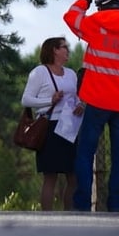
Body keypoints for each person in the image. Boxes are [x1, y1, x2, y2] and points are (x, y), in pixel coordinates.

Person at [63, 0, 119, 212]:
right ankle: (115, 208)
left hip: (97, 102)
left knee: (85, 154)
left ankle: (82, 206)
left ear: (100, 5)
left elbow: (70, 16)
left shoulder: (95, 26)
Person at [20, 36, 82, 210]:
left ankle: (69, 216)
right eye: (64, 47)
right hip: (50, 127)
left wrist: (80, 105)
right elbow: (26, 100)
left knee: (73, 176)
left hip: (70, 127)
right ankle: (47, 218)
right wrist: (50, 100)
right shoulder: (39, 72)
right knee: (51, 176)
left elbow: (76, 96)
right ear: (54, 50)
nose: (68, 50)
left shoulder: (70, 73)